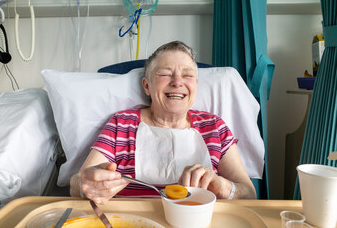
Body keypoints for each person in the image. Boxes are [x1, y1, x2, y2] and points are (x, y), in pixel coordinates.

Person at [70, 41, 256, 204]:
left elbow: (249, 194)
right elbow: (77, 182)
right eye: (165, 74)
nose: (177, 82)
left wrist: (222, 185)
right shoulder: (122, 125)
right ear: (146, 86)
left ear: (196, 86)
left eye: (187, 75)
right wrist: (84, 184)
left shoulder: (214, 127)